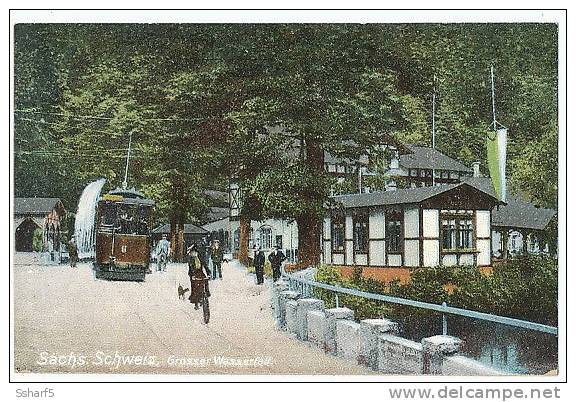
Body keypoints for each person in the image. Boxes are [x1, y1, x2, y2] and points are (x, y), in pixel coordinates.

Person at [187, 244, 210, 310]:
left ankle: (207, 292)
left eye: (195, 252)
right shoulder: (191, 259)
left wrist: (208, 272)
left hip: (200, 271)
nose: (194, 254)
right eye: (192, 253)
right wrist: (193, 276)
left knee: (205, 280)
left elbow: (205, 265)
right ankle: (196, 302)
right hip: (193, 273)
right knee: (195, 287)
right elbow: (191, 268)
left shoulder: (200, 257)